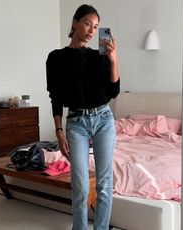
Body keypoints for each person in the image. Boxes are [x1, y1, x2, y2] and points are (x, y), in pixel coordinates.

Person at [46, 4, 120, 230]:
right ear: (75, 22)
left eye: (96, 27)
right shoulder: (56, 58)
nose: (91, 30)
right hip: (76, 123)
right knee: (80, 186)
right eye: (88, 23)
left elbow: (113, 91)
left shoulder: (99, 56)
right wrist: (59, 131)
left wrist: (113, 59)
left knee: (105, 184)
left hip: (104, 120)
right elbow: (55, 97)